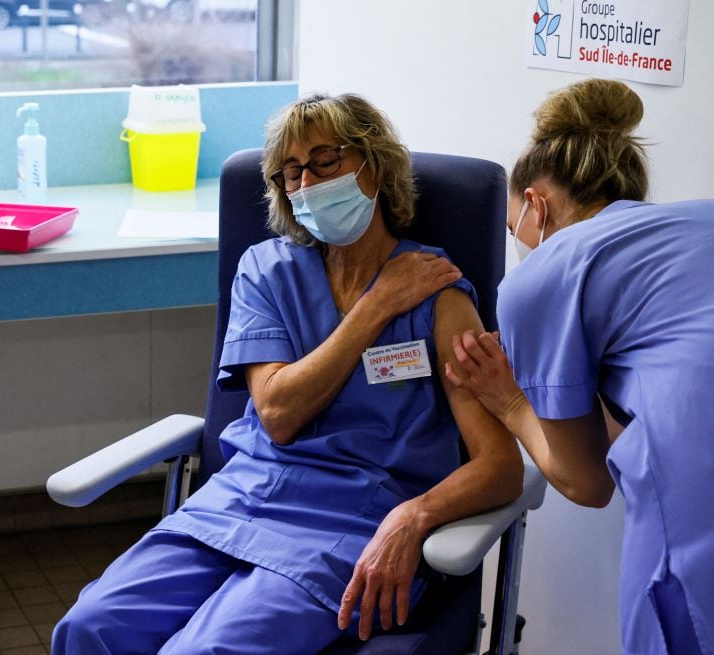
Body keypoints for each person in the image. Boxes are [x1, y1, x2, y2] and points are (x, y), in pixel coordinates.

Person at [51, 93, 523, 654]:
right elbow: (276, 413)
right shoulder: (267, 271)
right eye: (291, 172)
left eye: (326, 162)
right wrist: (376, 306)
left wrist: (412, 516)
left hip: (350, 524)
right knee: (88, 628)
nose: (308, 183)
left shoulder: (439, 296)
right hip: (239, 501)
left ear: (376, 166)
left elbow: (500, 466)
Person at [445, 78, 714, 655]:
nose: (518, 239)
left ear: (536, 204)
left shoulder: (544, 276)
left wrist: (511, 401)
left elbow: (586, 481)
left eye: (514, 224)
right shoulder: (695, 225)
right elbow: (659, 400)